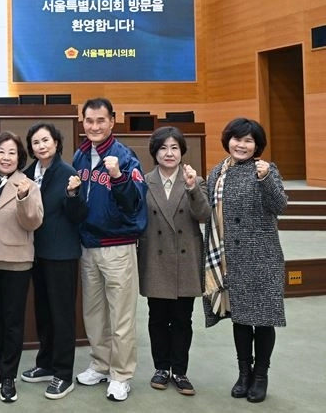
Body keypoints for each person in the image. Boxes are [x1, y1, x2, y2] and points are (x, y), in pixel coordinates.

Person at [202, 118, 287, 404]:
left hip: (261, 259)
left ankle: (260, 375)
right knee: (240, 319)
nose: (242, 144)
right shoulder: (217, 172)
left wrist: (265, 180)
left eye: (249, 140)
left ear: (257, 146)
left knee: (263, 320)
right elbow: (205, 209)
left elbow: (279, 206)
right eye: (237, 139)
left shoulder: (266, 170)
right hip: (230, 259)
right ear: (228, 141)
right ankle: (243, 373)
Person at [71, 98, 147, 402]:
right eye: (89, 121)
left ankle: (120, 374)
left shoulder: (124, 157)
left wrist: (118, 177)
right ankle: (100, 364)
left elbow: (135, 203)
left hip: (118, 247)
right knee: (94, 313)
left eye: (100, 120)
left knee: (122, 316)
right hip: (88, 246)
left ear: (112, 121)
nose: (94, 126)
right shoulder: (79, 155)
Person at [138, 126, 211, 397]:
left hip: (185, 259)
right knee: (157, 317)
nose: (169, 153)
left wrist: (192, 188)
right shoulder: (144, 181)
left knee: (182, 318)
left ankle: (180, 370)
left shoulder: (195, 179)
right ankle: (161, 368)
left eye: (174, 148)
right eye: (163, 148)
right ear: (154, 153)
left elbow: (204, 215)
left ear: (182, 152)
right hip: (155, 256)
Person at [0, 131, 43, 403]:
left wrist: (24, 198)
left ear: (19, 157)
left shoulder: (28, 184)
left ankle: (9, 376)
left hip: (17, 261)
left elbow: (33, 222)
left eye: (12, 152)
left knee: (13, 322)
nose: (6, 157)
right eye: (1, 151)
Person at [19, 123, 84, 400]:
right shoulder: (27, 174)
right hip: (36, 254)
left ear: (57, 142)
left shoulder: (69, 174)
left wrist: (73, 195)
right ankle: (45, 364)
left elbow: (78, 215)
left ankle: (63, 374)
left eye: (46, 140)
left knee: (62, 315)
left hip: (62, 254)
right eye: (35, 142)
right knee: (43, 313)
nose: (41, 146)